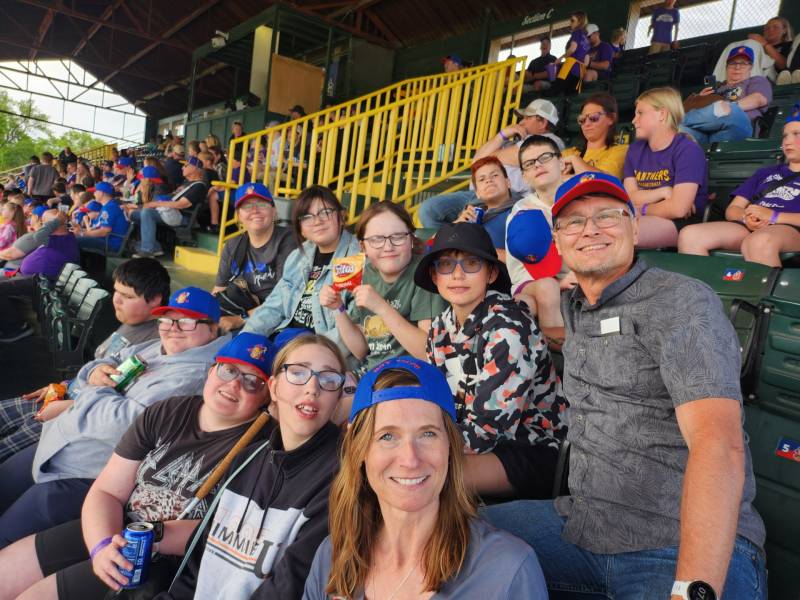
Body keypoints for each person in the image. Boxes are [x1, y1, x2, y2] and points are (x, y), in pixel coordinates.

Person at [482, 171, 767, 600]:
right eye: (574, 222)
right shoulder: (576, 307)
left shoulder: (679, 301)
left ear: (635, 227)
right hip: (581, 526)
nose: (590, 229)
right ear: (558, 242)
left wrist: (692, 588)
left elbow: (717, 443)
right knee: (444, 546)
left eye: (607, 216)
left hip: (675, 542)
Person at [0, 332, 274, 600]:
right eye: (228, 370)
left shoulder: (262, 449)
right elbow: (107, 491)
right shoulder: (168, 411)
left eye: (253, 381)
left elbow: (228, 533)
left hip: (162, 557)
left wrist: (150, 535)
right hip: (118, 525)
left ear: (266, 397)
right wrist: (102, 545)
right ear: (212, 370)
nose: (235, 385)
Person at [303, 356, 548, 599]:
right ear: (360, 449)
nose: (410, 459)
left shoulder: (506, 573)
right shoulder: (333, 557)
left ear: (450, 446)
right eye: (387, 436)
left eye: (428, 434)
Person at [0, 287, 228, 548]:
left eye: (186, 322)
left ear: (213, 328)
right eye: (166, 319)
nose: (172, 328)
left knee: (6, 533)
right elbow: (106, 361)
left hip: (87, 471)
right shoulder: (159, 346)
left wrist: (90, 392)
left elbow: (125, 423)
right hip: (61, 439)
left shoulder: (197, 374)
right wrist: (97, 372)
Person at [161, 334, 346, 600]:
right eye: (297, 372)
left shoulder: (342, 478)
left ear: (338, 397)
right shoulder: (246, 459)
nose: (312, 387)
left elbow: (291, 584)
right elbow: (196, 566)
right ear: (273, 387)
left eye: (328, 379)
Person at [414, 223, 567, 499]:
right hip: (466, 442)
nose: (458, 274)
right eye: (446, 264)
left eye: (472, 263)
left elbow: (487, 431)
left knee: (420, 477)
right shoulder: (439, 328)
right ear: (435, 276)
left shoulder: (509, 328)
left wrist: (416, 443)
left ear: (491, 273)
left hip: (532, 449)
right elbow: (435, 402)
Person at [0, 258, 168, 464]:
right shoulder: (131, 322)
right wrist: (62, 386)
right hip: (63, 395)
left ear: (154, 300)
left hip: (71, 413)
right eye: (116, 291)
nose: (116, 300)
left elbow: (119, 402)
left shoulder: (155, 343)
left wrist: (69, 407)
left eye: (127, 296)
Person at [319, 201, 445, 374]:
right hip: (371, 372)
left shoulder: (424, 275)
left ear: (411, 239)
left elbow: (428, 353)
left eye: (398, 236)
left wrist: (381, 307)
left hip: (409, 375)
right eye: (377, 239)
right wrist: (338, 309)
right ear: (363, 247)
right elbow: (361, 349)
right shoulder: (366, 274)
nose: (388, 247)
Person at [678, 105, 800, 266]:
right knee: (690, 235)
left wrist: (773, 216)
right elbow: (733, 209)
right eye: (785, 136)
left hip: (789, 229)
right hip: (748, 227)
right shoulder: (765, 173)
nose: (787, 141)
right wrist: (746, 218)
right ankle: (706, 291)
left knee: (759, 241)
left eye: (796, 134)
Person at [242, 185, 360, 350]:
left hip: (320, 350)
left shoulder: (356, 258)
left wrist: (305, 352)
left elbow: (354, 329)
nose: (317, 221)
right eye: (307, 217)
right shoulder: (298, 257)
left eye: (325, 212)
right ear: (301, 229)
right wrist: (244, 339)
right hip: (285, 339)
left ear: (341, 216)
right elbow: (273, 307)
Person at [417, 98, 563, 229]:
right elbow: (476, 162)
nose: (520, 122)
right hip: (478, 193)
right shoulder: (515, 139)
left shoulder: (550, 141)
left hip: (507, 196)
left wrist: (489, 156)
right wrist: (503, 134)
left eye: (526, 118)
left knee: (470, 226)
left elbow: (481, 161)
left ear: (543, 122)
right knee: (429, 209)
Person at [624, 86, 708, 248]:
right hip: (642, 217)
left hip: (681, 224)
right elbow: (628, 197)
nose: (634, 120)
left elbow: (678, 209)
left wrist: (641, 209)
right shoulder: (634, 149)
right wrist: (663, 192)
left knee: (623, 232)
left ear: (662, 114)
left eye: (640, 113)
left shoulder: (687, 149)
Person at [504, 136, 571, 331]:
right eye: (529, 163)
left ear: (561, 162)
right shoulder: (521, 211)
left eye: (545, 157)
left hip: (579, 275)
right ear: (524, 175)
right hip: (534, 282)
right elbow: (522, 268)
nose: (538, 165)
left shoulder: (582, 198)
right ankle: (555, 350)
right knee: (548, 287)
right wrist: (560, 282)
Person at [213, 183, 297, 332]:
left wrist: (240, 319)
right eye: (247, 206)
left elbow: (285, 299)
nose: (255, 211)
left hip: (280, 320)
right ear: (238, 215)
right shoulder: (233, 245)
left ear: (274, 211)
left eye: (262, 204)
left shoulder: (289, 241)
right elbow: (219, 290)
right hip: (244, 313)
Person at [0, 210, 78, 342]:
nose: (42, 225)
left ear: (54, 224)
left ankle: (16, 329)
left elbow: (38, 236)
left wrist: (57, 220)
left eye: (44, 223)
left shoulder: (63, 238)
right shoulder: (56, 238)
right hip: (31, 278)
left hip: (40, 282)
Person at [680, 46, 772, 145]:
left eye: (743, 63)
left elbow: (758, 99)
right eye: (733, 63)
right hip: (709, 134)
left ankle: (671, 123)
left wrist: (729, 107)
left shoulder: (756, 80)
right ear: (726, 67)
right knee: (679, 132)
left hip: (739, 125)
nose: (737, 67)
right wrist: (700, 99)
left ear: (750, 67)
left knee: (727, 109)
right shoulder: (717, 87)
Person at [131, 156, 209, 258]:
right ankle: (155, 247)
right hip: (171, 212)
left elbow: (182, 204)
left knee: (147, 213)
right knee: (134, 214)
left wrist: (155, 204)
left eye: (186, 165)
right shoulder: (186, 183)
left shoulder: (199, 186)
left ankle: (147, 250)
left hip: (182, 217)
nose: (182, 168)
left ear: (194, 168)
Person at [451, 157, 518, 252]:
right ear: (477, 193)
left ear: (508, 183)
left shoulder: (521, 211)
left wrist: (477, 251)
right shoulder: (471, 213)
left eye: (494, 175)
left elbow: (527, 260)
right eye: (482, 179)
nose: (488, 180)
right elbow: (431, 243)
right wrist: (457, 223)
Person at [561, 92, 628, 179]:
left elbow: (603, 181)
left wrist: (575, 160)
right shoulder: (568, 153)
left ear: (611, 118)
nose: (587, 124)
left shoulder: (621, 151)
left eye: (594, 118)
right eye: (582, 119)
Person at [74, 181, 129, 253]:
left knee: (74, 240)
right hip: (106, 240)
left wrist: (82, 233)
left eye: (95, 191)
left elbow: (104, 232)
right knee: (72, 237)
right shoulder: (108, 205)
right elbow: (97, 229)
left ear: (101, 193)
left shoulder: (110, 207)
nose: (94, 194)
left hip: (110, 243)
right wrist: (81, 230)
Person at [555, 11, 590, 94]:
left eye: (572, 20)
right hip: (579, 72)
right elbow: (586, 62)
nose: (570, 23)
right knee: (571, 95)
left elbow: (572, 49)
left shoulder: (576, 32)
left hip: (570, 68)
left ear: (579, 22)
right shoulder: (586, 39)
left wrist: (560, 58)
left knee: (557, 91)